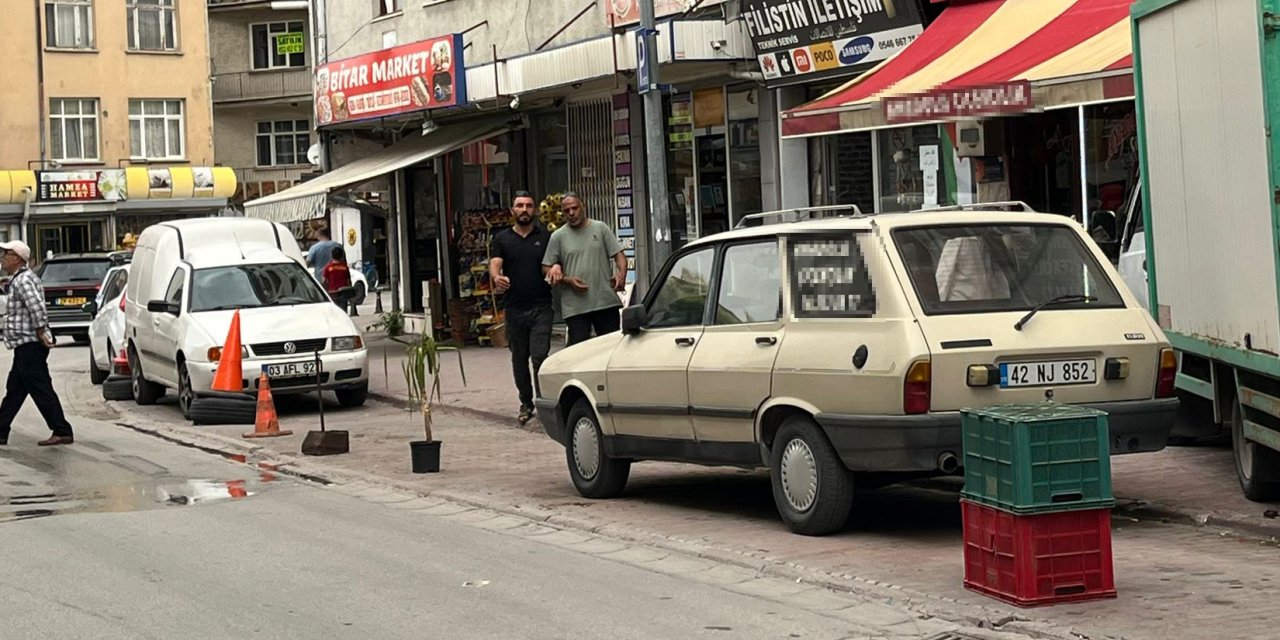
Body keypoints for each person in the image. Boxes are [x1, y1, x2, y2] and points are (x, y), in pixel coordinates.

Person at [0, 240, 75, 447]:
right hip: (24, 343)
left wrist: (41, 331)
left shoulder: (23, 280)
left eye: (6, 254)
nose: (3, 258)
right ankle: (1, 430)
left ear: (17, 258)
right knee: (15, 389)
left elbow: (36, 307)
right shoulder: (19, 278)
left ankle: (62, 429)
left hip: (30, 343)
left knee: (40, 387)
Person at [490, 191, 554, 424]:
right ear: (512, 211)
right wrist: (497, 278)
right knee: (519, 358)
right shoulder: (502, 238)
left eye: (528, 205)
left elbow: (553, 262)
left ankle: (543, 402)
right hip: (514, 308)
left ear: (535, 210)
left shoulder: (546, 237)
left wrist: (555, 269)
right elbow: (495, 264)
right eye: (520, 206)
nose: (524, 210)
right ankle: (525, 402)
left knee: (539, 356)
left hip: (541, 306)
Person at [542, 192, 627, 346]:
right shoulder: (558, 236)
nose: (571, 213)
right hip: (575, 307)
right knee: (579, 351)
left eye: (575, 208)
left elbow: (619, 255)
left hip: (604, 301)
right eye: (566, 210)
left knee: (611, 348)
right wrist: (567, 279)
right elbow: (546, 269)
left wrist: (621, 274)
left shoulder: (600, 228)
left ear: (583, 207)